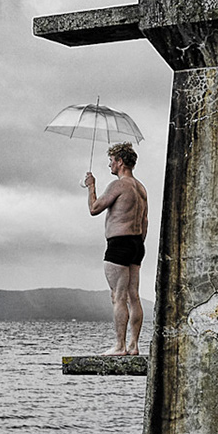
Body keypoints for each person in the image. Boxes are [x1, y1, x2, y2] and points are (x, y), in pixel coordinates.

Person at [84, 142, 148, 356]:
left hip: (119, 244)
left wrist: (91, 186)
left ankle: (120, 346)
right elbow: (145, 220)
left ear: (120, 161)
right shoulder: (141, 188)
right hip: (137, 244)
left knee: (118, 296)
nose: (109, 165)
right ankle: (134, 345)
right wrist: (138, 243)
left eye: (111, 160)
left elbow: (94, 209)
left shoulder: (119, 185)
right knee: (134, 296)